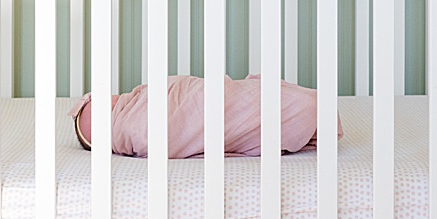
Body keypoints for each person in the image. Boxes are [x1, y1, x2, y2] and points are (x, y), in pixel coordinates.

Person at [68, 74, 343, 158]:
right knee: (301, 107)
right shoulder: (134, 127)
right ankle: (301, 114)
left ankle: (299, 112)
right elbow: (161, 135)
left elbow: (189, 92)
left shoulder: (144, 96)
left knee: (235, 100)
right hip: (215, 114)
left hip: (220, 99)